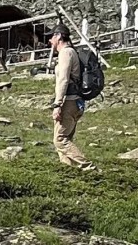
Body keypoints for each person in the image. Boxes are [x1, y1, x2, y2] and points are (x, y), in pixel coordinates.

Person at [49, 24, 96, 171]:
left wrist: (57, 104)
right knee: (65, 139)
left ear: (58, 37)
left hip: (69, 101)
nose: (50, 41)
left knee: (60, 140)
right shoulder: (72, 52)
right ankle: (67, 171)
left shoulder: (65, 53)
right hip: (76, 101)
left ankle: (89, 167)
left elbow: (63, 79)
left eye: (51, 37)